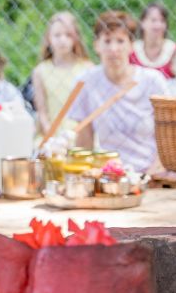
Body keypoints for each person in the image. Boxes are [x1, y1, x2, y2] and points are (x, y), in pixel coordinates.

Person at [70, 11, 168, 173]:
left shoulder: (153, 81)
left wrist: (151, 176)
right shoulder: (86, 82)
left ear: (131, 46)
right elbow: (84, 141)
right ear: (97, 45)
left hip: (150, 173)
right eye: (107, 41)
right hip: (108, 174)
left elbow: (168, 139)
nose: (113, 48)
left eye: (120, 41)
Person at [31, 11, 93, 135]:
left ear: (76, 38)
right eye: (57, 35)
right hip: (52, 136)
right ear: (48, 38)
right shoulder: (40, 71)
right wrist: (51, 137)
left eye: (68, 35)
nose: (62, 40)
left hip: (81, 135)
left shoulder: (88, 68)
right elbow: (42, 112)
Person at [130, 3, 176, 78]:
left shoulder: (175, 51)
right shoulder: (131, 51)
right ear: (142, 23)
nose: (158, 25)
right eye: (153, 20)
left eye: (162, 21)